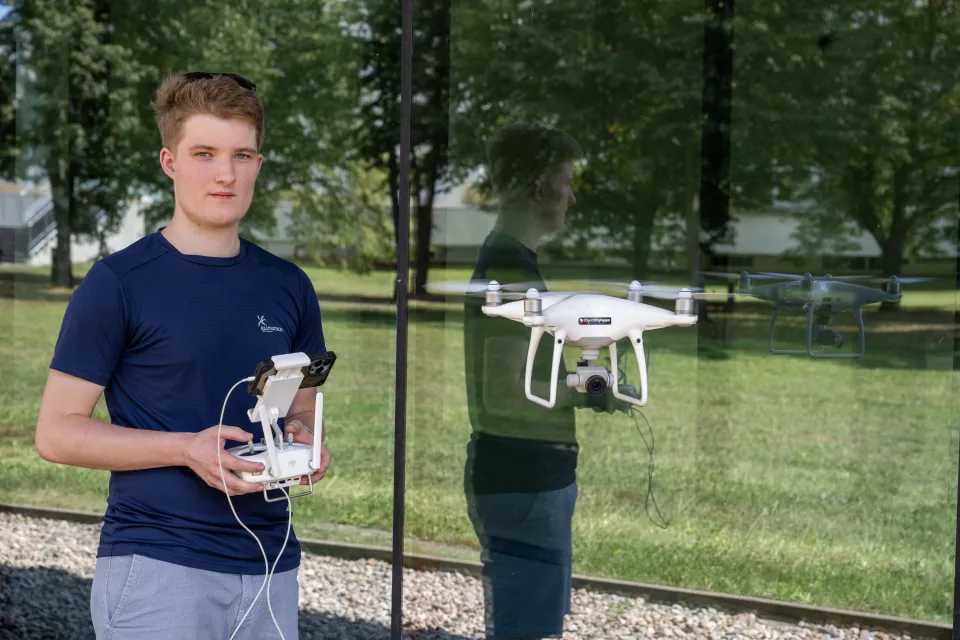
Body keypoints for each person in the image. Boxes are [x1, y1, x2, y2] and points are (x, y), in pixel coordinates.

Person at [34, 71, 330, 639]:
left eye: (241, 155)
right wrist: (184, 450)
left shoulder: (290, 286)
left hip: (271, 565)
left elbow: (302, 408)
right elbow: (56, 434)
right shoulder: (118, 283)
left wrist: (305, 443)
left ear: (258, 164)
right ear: (169, 162)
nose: (225, 174)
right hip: (157, 567)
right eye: (204, 154)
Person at [462, 122, 632, 640]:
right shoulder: (511, 272)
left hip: (527, 479)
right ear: (539, 188)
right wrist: (588, 390)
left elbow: (518, 377)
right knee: (527, 630)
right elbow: (502, 393)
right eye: (567, 182)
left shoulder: (513, 263)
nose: (572, 197)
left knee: (531, 624)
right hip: (524, 482)